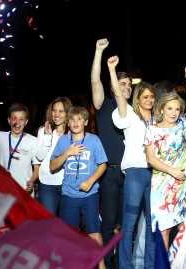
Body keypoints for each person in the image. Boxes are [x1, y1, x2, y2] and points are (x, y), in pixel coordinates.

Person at [108, 56, 156, 269]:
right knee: (129, 226)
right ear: (138, 99)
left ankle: (149, 265)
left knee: (153, 226)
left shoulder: (159, 120)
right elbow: (119, 95)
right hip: (136, 173)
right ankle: (125, 267)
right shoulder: (129, 117)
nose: (148, 100)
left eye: (151, 97)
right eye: (144, 96)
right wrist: (111, 70)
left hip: (156, 174)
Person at [145, 65, 186, 248]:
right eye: (169, 108)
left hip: (184, 182)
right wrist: (172, 171)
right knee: (163, 229)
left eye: (177, 109)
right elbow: (151, 159)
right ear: (161, 109)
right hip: (161, 184)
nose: (174, 112)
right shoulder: (151, 130)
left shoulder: (184, 126)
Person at [91, 38, 132, 268]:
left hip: (131, 175)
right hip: (108, 174)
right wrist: (99, 52)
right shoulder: (104, 105)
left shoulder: (136, 112)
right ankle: (107, 262)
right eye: (121, 83)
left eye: (128, 84)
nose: (125, 87)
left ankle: (124, 262)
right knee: (107, 224)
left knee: (128, 223)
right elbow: (95, 79)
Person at [50, 106, 108, 269]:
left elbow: (103, 164)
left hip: (90, 195)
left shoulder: (93, 140)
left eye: (79, 119)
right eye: (72, 119)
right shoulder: (63, 141)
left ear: (86, 122)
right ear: (68, 123)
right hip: (68, 195)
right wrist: (67, 153)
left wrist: (91, 181)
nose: (75, 122)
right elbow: (52, 166)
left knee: (94, 232)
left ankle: (102, 266)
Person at [0, 103, 42, 192]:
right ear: (9, 120)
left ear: (26, 122)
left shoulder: (33, 141)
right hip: (2, 191)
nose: (17, 122)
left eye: (21, 119)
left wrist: (31, 181)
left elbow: (37, 170)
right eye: (14, 118)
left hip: (24, 191)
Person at [35, 97, 72, 215]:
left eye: (61, 111)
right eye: (54, 110)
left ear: (67, 113)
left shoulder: (74, 133)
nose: (56, 114)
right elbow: (39, 157)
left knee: (66, 225)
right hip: (47, 184)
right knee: (49, 223)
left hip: (68, 185)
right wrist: (47, 137)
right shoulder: (43, 131)